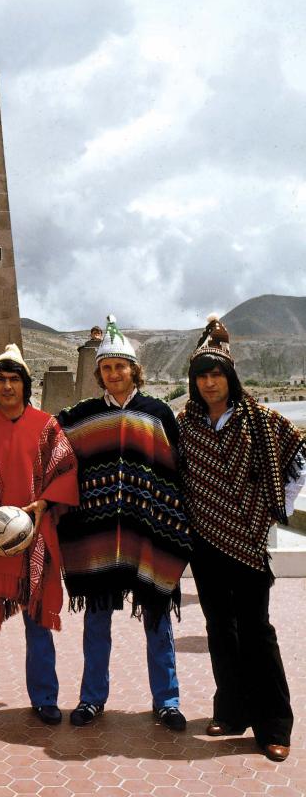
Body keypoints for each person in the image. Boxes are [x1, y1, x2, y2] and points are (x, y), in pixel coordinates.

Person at [178, 314, 305, 762]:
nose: (210, 383)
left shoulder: (262, 420)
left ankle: (274, 723)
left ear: (230, 377)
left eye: (216, 374)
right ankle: (232, 712)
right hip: (206, 541)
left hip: (249, 542)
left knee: (257, 630)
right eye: (201, 376)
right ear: (193, 382)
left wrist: (275, 509)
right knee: (219, 628)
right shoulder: (186, 424)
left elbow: (297, 457)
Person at [57, 315, 192, 731]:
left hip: (147, 533)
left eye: (120, 366)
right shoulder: (81, 416)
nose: (113, 373)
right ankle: (91, 698)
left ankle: (167, 700)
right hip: (97, 536)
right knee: (97, 620)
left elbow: (178, 469)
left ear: (134, 369)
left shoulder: (157, 415)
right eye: (106, 367)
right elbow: (42, 440)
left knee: (157, 618)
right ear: (99, 373)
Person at [0, 344, 78, 727]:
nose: (7, 387)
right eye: (1, 380)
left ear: (25, 385)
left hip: (34, 538)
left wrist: (42, 506)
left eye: (14, 380)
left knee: (38, 622)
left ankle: (44, 698)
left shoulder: (47, 425)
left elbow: (66, 470)